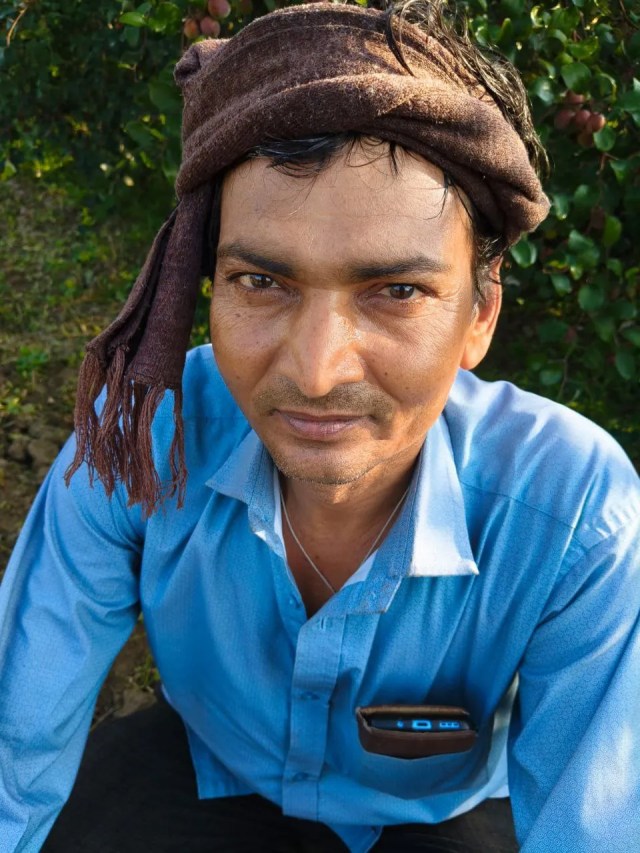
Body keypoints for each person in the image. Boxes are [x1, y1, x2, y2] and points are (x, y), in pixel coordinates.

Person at [1, 2, 638, 851]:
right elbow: (16, 745)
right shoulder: (143, 440)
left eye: (397, 291)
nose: (315, 369)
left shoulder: (576, 513)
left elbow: (591, 825)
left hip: (438, 814)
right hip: (210, 768)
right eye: (262, 281)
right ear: (209, 283)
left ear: (480, 313)